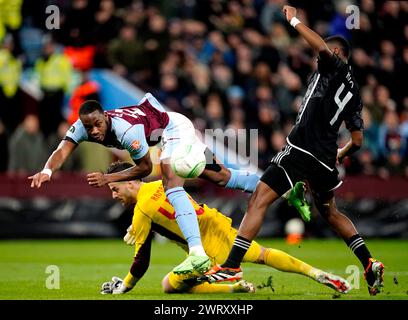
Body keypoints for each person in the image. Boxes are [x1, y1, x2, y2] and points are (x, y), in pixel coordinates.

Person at [205, 5, 384, 296]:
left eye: (322, 54)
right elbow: (359, 142)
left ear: (337, 54)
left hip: (301, 148)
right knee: (330, 212)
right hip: (325, 159)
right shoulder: (356, 94)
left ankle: (231, 266)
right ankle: (368, 261)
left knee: (259, 201)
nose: (317, 58)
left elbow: (323, 49)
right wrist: (340, 153)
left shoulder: (332, 65)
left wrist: (295, 21)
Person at [28, 92, 309, 277]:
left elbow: (144, 168)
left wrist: (108, 178)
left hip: (174, 130)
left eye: (97, 125)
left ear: (105, 117)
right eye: (89, 128)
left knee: (171, 180)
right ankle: (286, 189)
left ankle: (197, 253)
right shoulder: (83, 125)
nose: (94, 132)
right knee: (222, 176)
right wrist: (47, 170)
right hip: (167, 134)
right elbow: (63, 149)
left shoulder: (128, 132)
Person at [99, 161, 350, 295]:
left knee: (169, 285)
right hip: (215, 224)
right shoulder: (160, 182)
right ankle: (316, 273)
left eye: (115, 188)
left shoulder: (141, 211)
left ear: (130, 182)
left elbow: (141, 261)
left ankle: (233, 286)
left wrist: (125, 286)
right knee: (262, 255)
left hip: (204, 250)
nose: (113, 195)